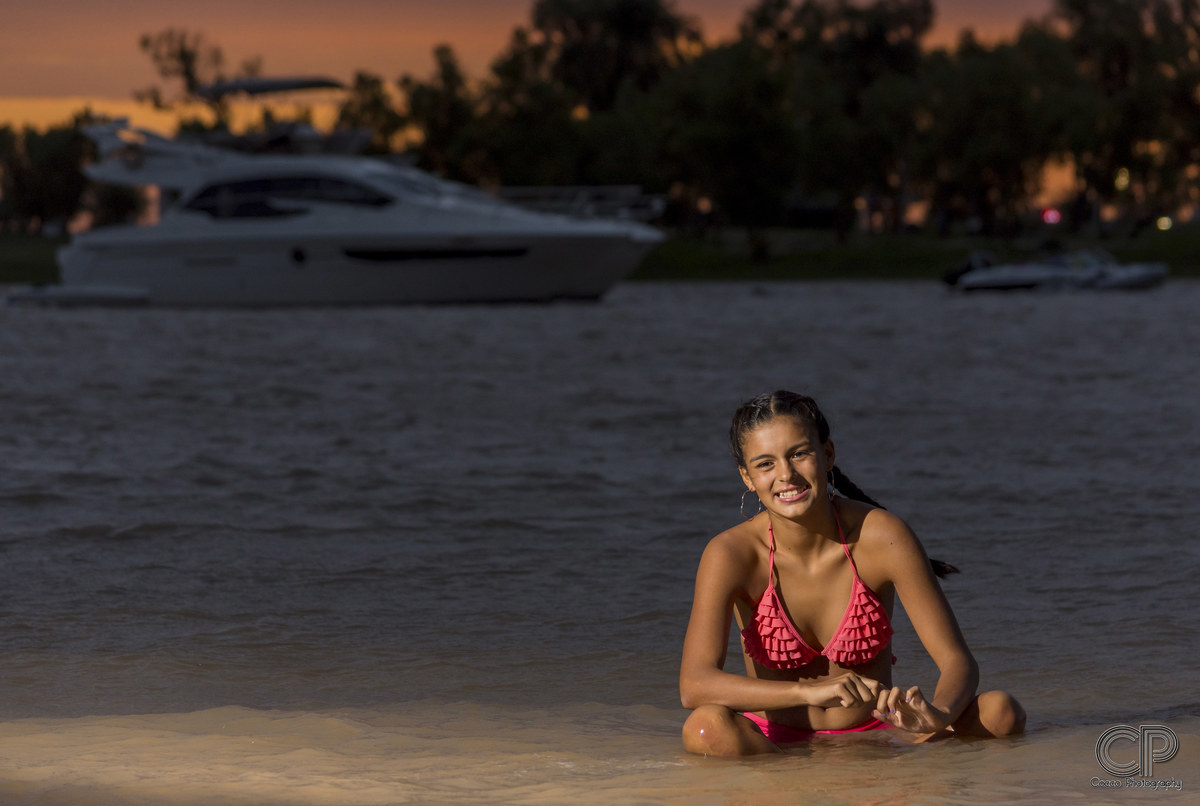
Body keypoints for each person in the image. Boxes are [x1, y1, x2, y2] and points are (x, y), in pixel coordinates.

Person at [679, 391, 1025, 755]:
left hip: (880, 736)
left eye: (799, 453)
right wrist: (805, 691)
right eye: (765, 464)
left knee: (1000, 711)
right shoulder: (730, 554)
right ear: (747, 477)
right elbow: (695, 684)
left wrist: (939, 713)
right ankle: (784, 786)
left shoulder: (883, 536)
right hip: (774, 748)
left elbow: (958, 661)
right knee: (705, 727)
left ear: (827, 454)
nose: (786, 474)